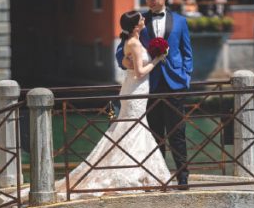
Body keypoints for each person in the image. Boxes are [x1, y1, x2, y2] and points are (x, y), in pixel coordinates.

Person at [59, 11, 171, 195]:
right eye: (141, 19)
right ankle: (133, 172)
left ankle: (142, 171)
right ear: (136, 26)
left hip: (135, 88)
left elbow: (129, 64)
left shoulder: (133, 41)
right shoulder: (134, 43)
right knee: (134, 126)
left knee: (134, 127)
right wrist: (158, 59)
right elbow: (140, 72)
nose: (144, 19)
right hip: (135, 88)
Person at [115, 0, 195, 188]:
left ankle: (182, 177)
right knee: (154, 134)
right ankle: (158, 176)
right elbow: (121, 50)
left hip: (175, 84)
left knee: (177, 133)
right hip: (149, 85)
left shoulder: (180, 21)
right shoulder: (140, 22)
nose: (149, 2)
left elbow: (187, 53)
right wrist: (125, 62)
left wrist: (186, 75)